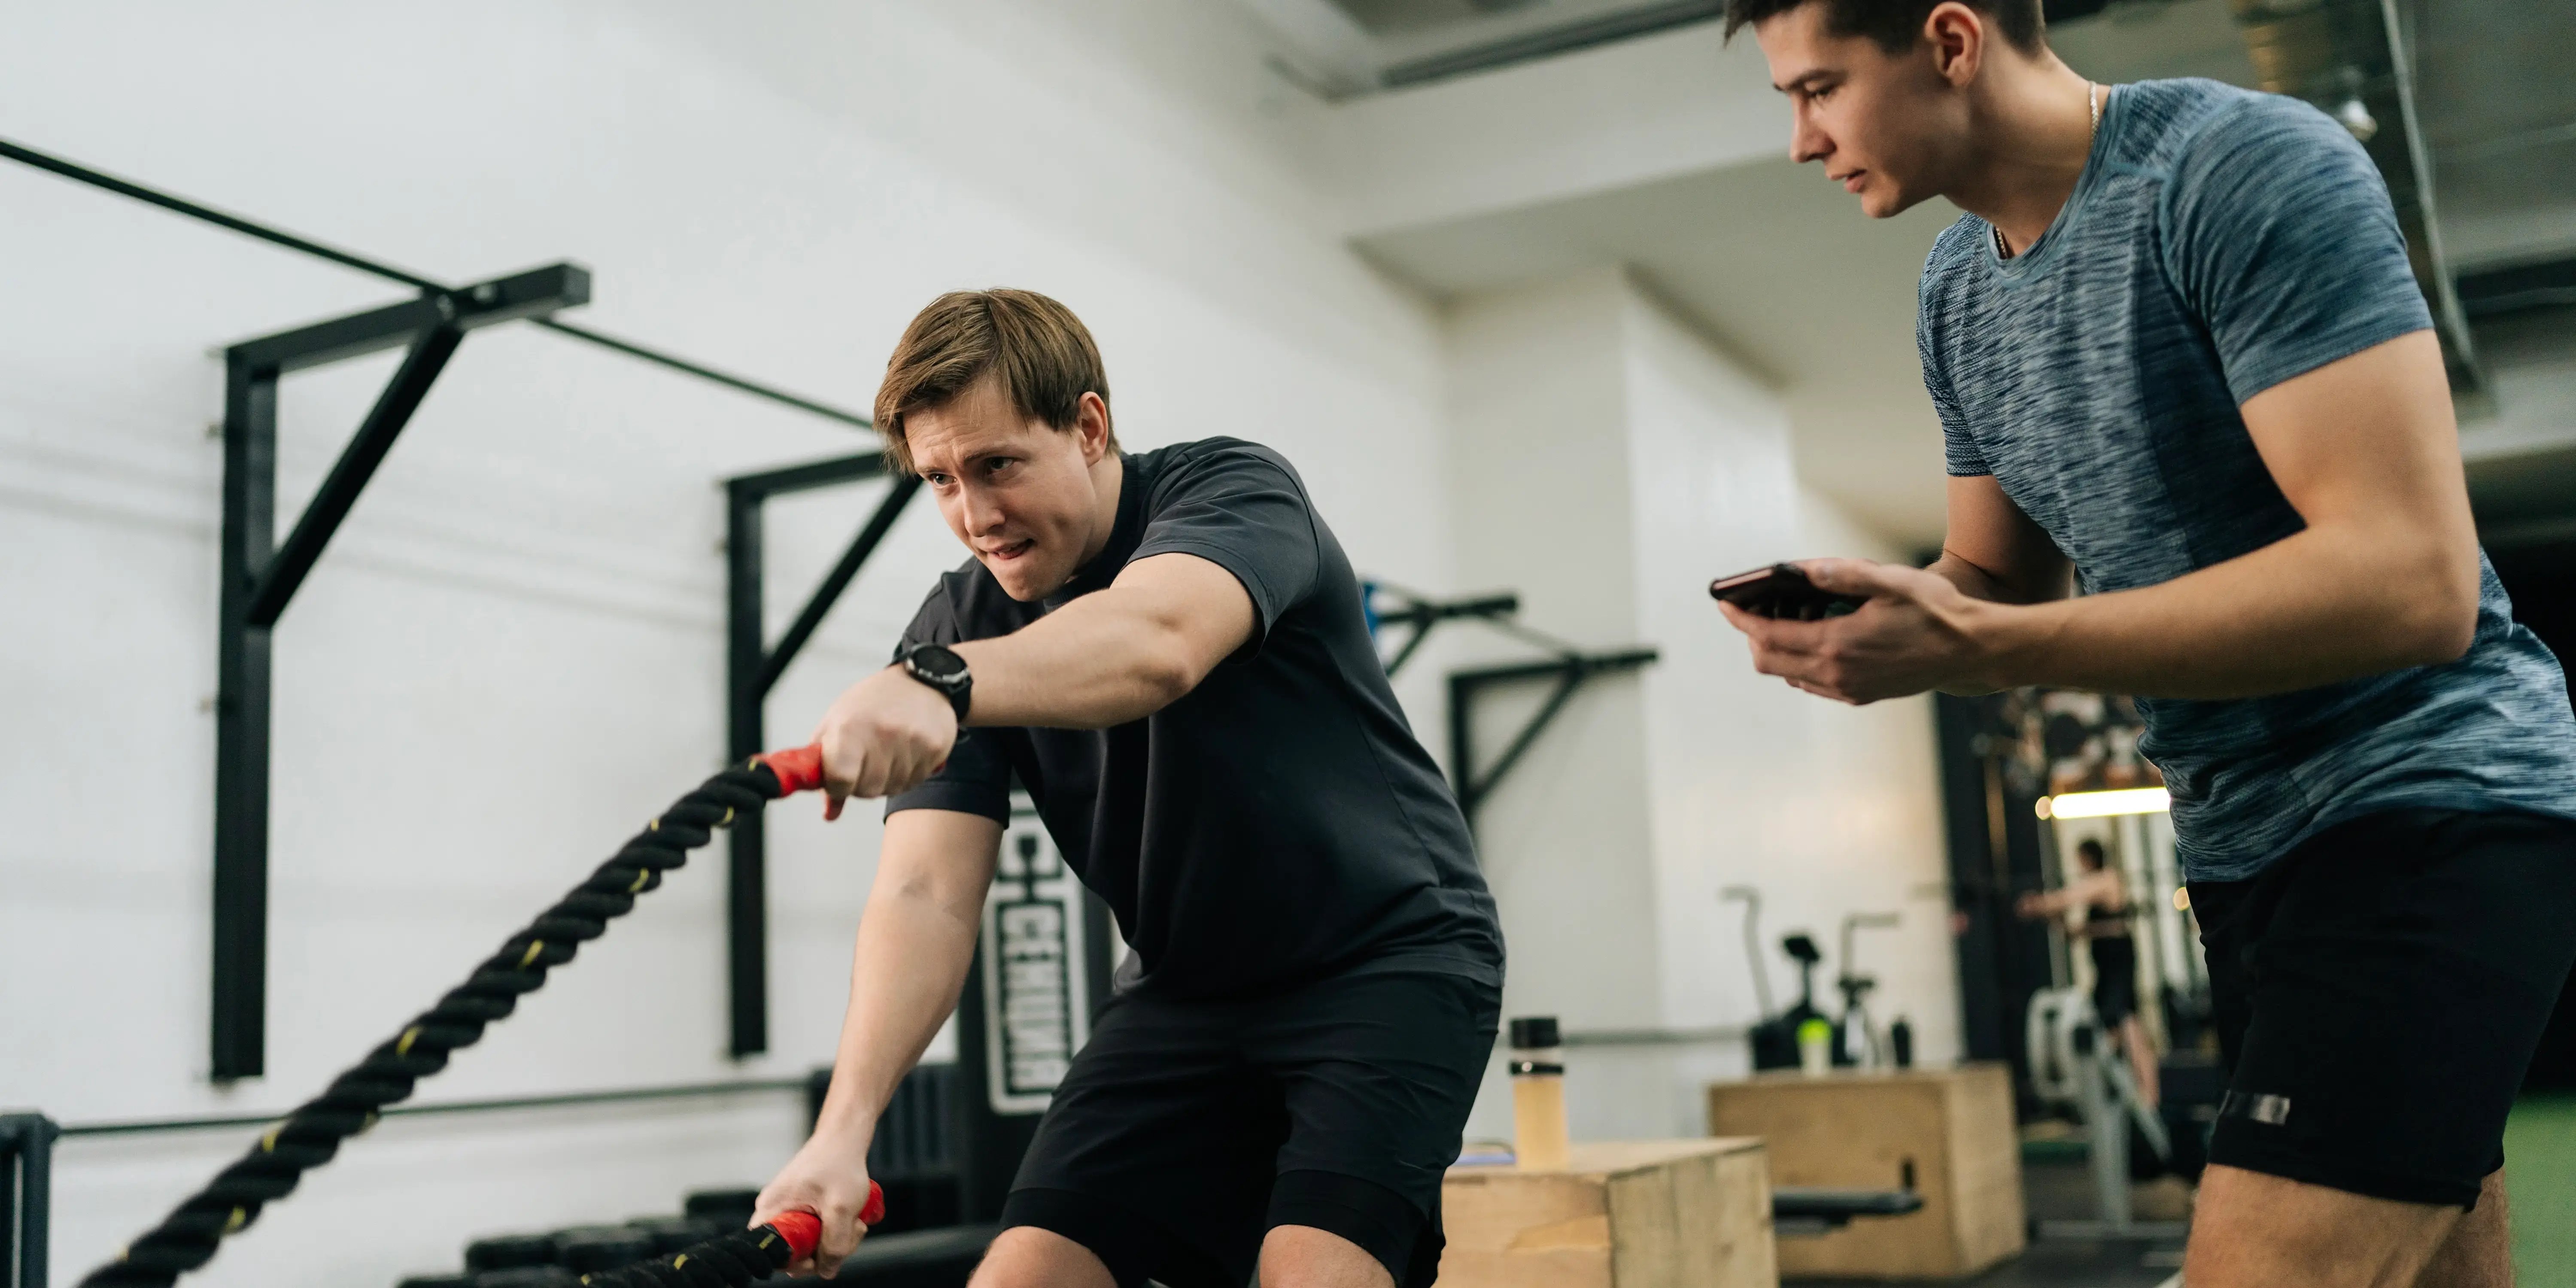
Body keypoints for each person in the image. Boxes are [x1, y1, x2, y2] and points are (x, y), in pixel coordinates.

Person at [1716, 1, 2576, 1284]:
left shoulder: (2238, 169)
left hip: (2424, 801)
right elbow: (1989, 582)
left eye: (1818, 88)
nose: (1799, 138)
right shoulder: (1955, 293)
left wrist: (1977, 647)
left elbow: (2410, 581)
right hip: (2237, 851)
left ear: (1949, 42)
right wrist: (1895, 612)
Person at [749, 289, 1505, 1288]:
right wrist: (841, 1134)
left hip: (1382, 960)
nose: (975, 514)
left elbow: (1156, 642)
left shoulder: (1232, 491)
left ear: (1089, 426)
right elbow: (924, 892)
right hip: (1181, 993)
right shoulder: (959, 621)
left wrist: (941, 683)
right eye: (939, 479)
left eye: (997, 465)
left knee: (1309, 1274)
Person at [2017, 838, 2157, 1108]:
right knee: (2111, 1023)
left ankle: (2149, 1097)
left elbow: (2068, 899)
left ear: (2089, 859)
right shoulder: (2096, 888)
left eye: (2080, 860)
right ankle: (2122, 1093)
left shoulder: (2107, 880)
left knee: (2126, 1021)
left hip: (2118, 962)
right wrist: (2048, 914)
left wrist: (2039, 904)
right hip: (2104, 965)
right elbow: (2074, 932)